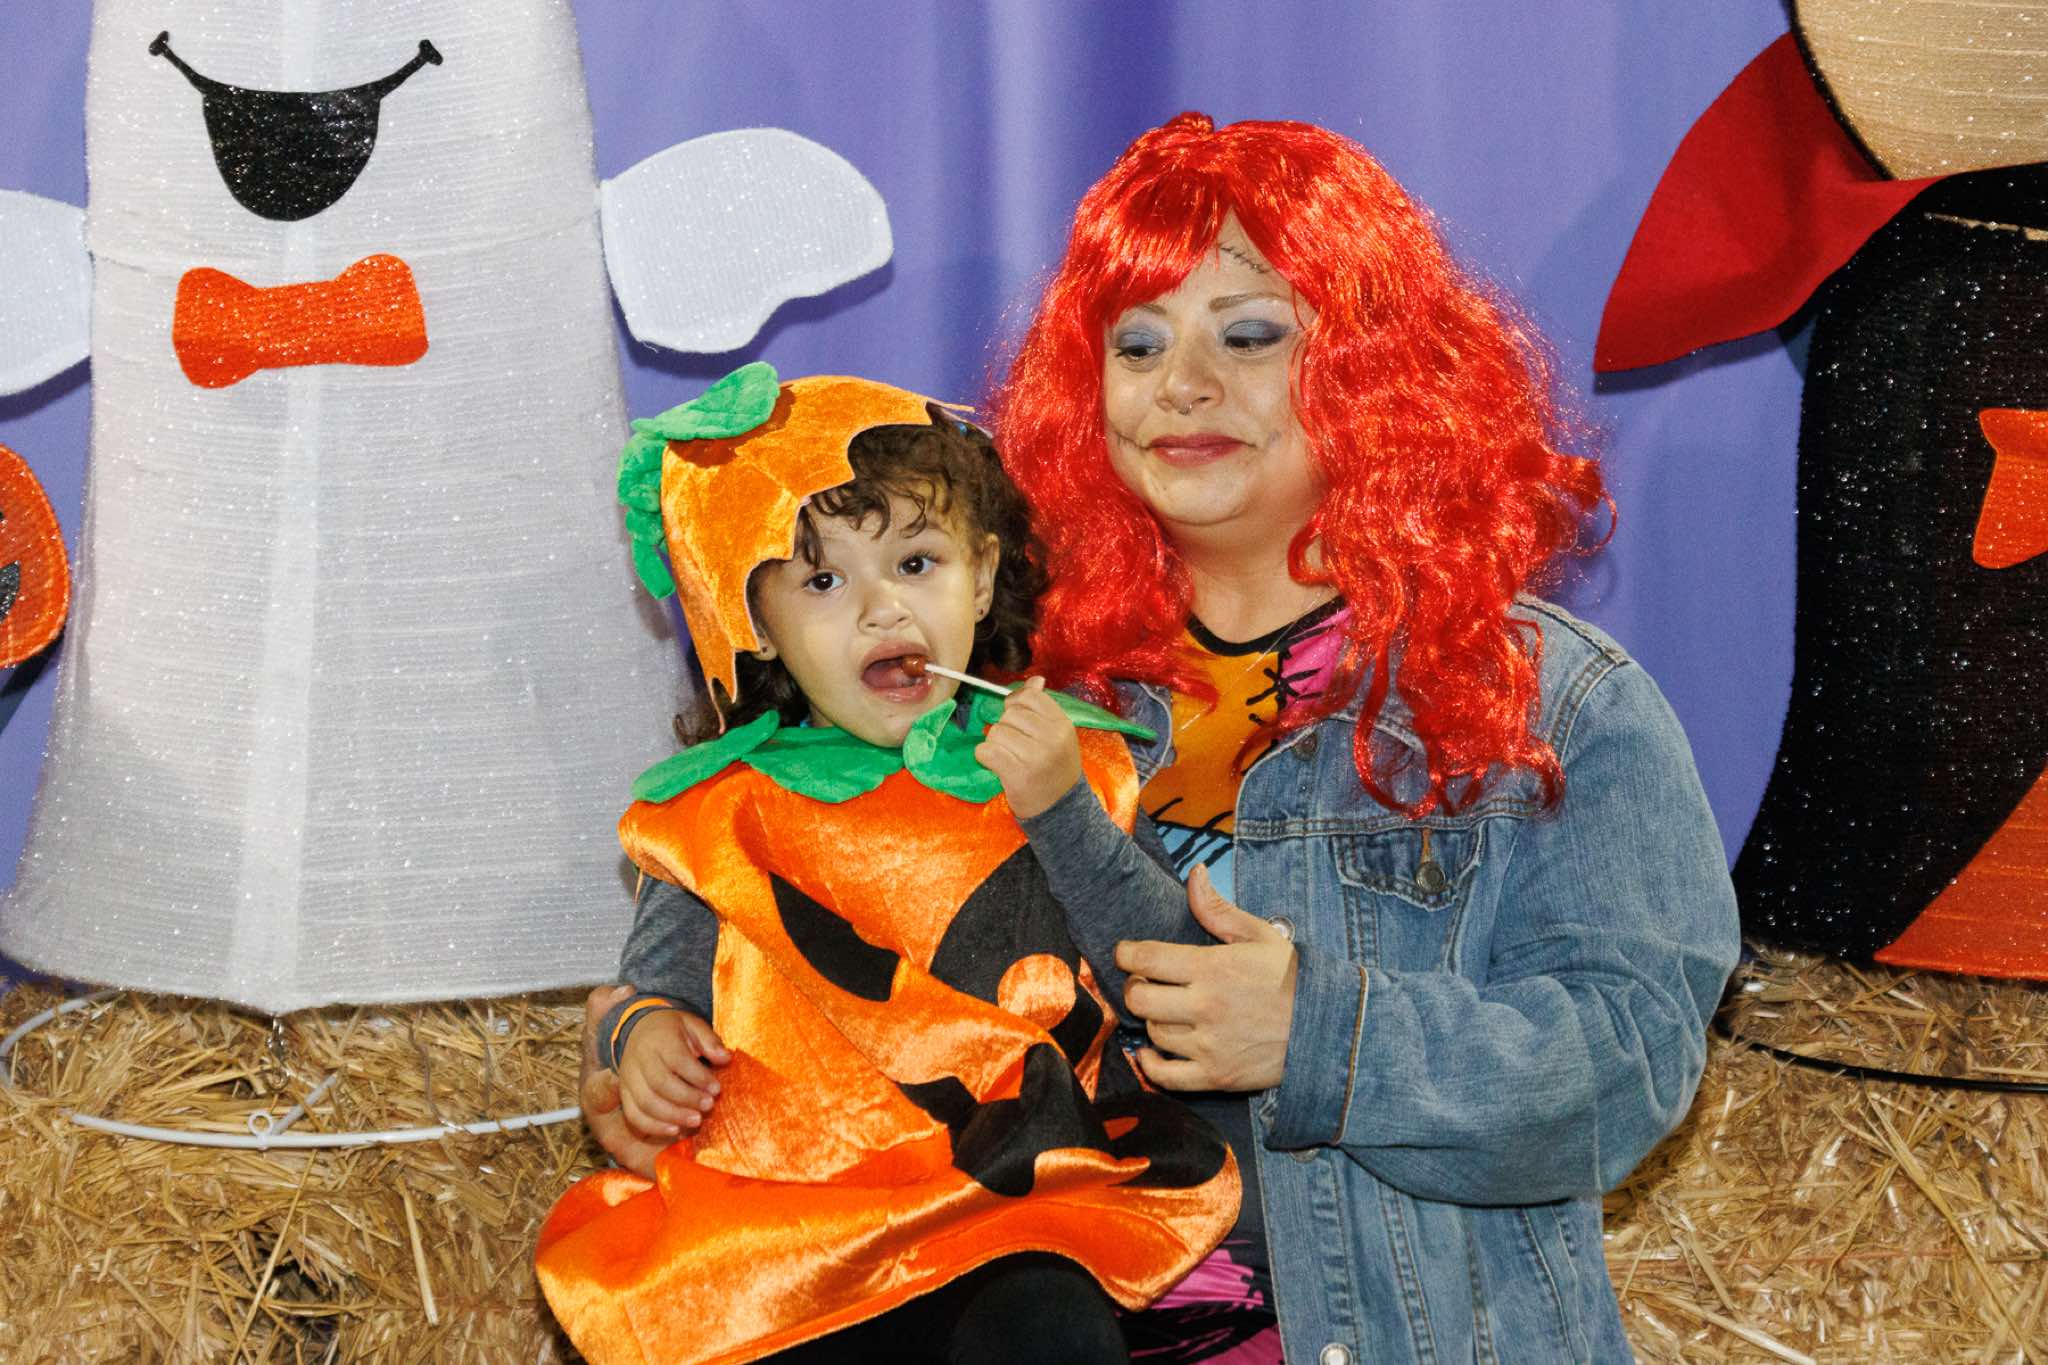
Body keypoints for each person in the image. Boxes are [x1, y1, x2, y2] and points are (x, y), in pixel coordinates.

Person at [978, 112, 1743, 1364]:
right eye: (1136, 343)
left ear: (1370, 367)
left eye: (1247, 335)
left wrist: (1319, 1037)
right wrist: (666, 1034)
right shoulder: (1034, 705)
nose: (1182, 384)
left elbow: (1625, 1075)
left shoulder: (1551, 701)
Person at [539, 364, 1239, 1365]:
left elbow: (1175, 986)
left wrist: (1064, 815)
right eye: (822, 582)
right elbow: (651, 993)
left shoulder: (1068, 759)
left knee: (1051, 1329)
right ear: (758, 624)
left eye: (916, 562)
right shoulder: (721, 809)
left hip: (1012, 1213)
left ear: (981, 576)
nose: (881, 609)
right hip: (787, 1240)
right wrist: (642, 1038)